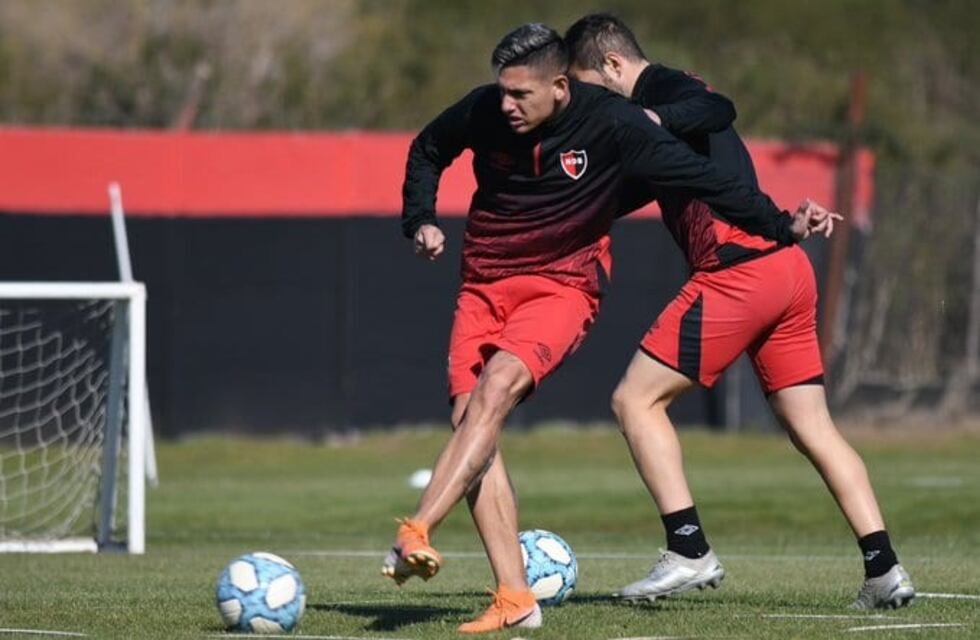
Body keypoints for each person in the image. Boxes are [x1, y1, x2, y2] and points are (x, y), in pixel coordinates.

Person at [384, 23, 827, 634]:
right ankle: (515, 597)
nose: (506, 105)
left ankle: (418, 529)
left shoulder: (614, 123)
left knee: (496, 390)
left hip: (562, 284)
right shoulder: (486, 110)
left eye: (521, 95)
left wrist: (780, 225)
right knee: (471, 429)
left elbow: (705, 175)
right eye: (502, 92)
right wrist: (420, 220)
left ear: (561, 86)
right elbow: (428, 146)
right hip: (482, 283)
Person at [564, 12, 914, 610]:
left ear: (614, 66)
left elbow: (717, 106)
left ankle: (688, 549)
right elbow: (638, 188)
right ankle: (885, 570)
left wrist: (650, 117)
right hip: (785, 270)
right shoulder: (660, 128)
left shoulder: (669, 91)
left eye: (590, 88)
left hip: (739, 272)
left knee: (634, 400)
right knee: (814, 429)